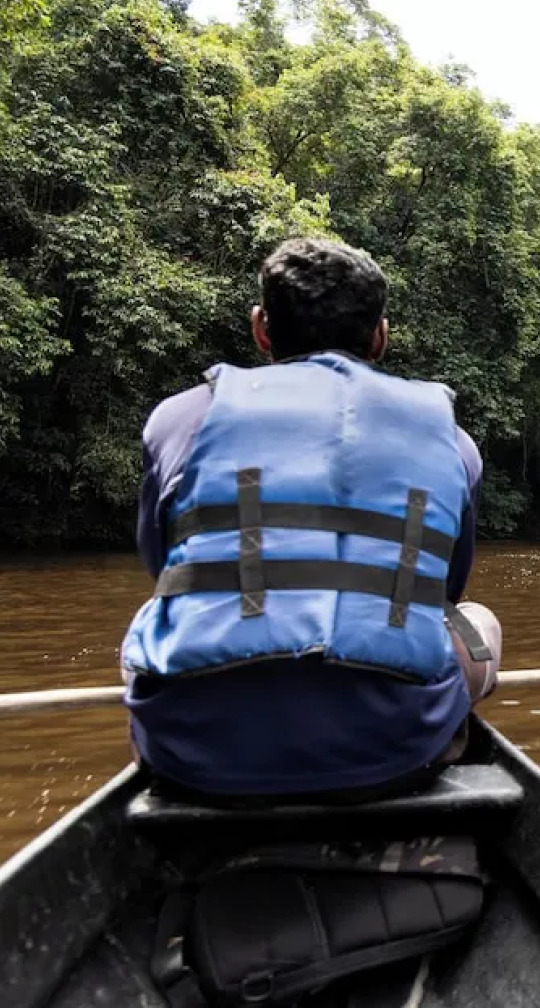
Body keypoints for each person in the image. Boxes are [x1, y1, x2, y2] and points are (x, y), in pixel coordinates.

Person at [121, 238, 501, 801]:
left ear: (261, 328)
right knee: (477, 619)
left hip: (193, 752)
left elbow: (165, 568)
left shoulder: (176, 420)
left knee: (154, 611)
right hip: (395, 749)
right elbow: (442, 590)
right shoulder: (452, 440)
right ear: (380, 336)